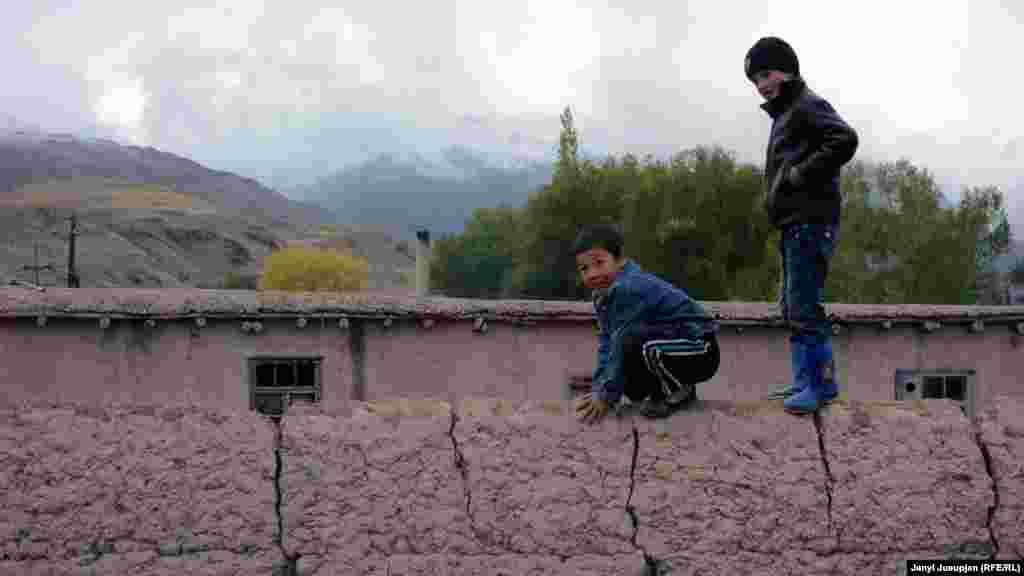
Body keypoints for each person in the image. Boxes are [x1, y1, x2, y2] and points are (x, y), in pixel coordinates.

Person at [744, 36, 858, 414]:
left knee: (805, 307)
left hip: (812, 222)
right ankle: (804, 381)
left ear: (789, 70)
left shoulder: (807, 106)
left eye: (766, 73)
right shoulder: (786, 113)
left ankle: (820, 385)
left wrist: (798, 175)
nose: (761, 84)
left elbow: (844, 138)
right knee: (794, 307)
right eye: (755, 79)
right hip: (795, 225)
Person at [572, 224, 720, 424]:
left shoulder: (629, 287)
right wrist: (599, 388)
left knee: (637, 344)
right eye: (584, 268)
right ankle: (659, 392)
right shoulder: (603, 295)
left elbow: (623, 338)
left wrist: (606, 396)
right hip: (665, 342)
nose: (592, 274)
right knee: (630, 384)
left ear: (619, 260)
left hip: (699, 347)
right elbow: (608, 342)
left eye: (599, 263)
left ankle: (681, 391)